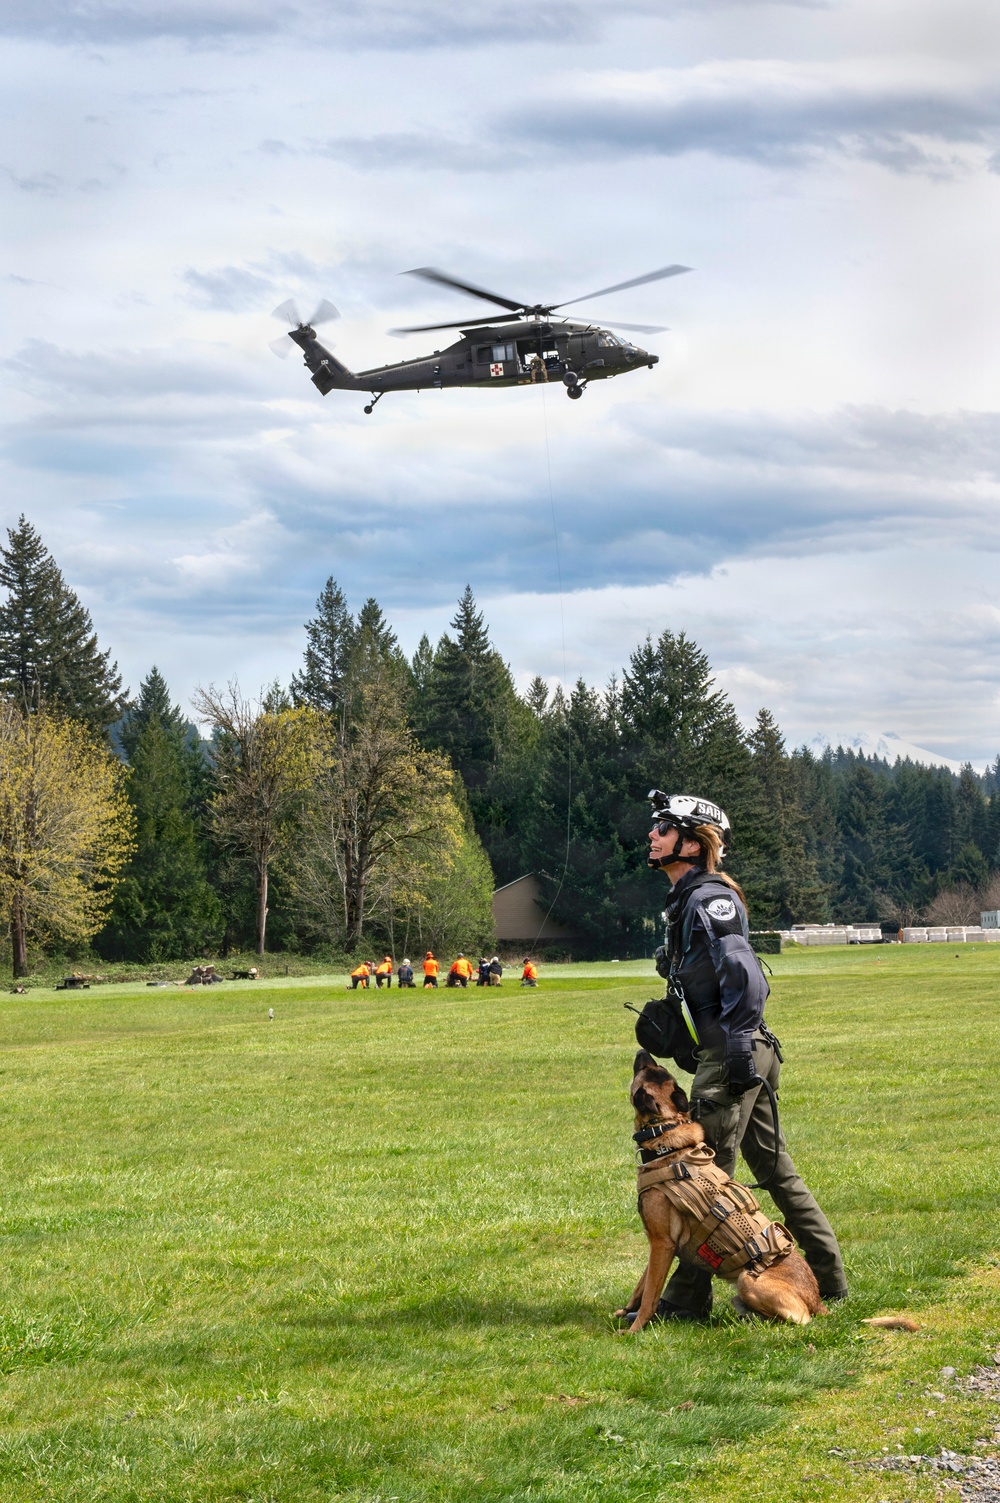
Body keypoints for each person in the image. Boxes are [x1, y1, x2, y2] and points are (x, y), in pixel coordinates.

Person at [631, 790, 848, 1322]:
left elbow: (745, 978)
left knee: (699, 1184)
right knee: (774, 1169)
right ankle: (830, 1281)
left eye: (663, 828)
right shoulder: (687, 900)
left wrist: (731, 1052)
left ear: (689, 841)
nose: (652, 836)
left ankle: (684, 1303)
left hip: (739, 1053)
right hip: (745, 1049)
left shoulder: (708, 899)